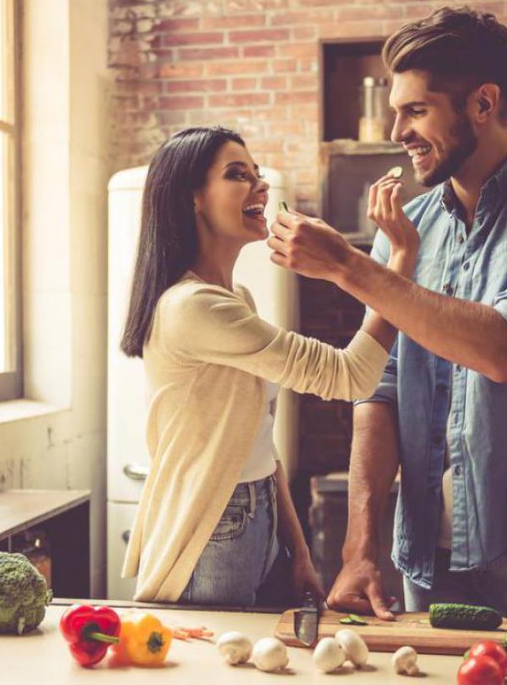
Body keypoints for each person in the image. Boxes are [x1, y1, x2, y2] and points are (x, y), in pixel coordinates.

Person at [267, 7, 507, 623]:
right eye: (395, 111)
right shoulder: (406, 232)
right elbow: (378, 393)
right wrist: (361, 548)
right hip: (428, 558)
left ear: (483, 104)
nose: (397, 130)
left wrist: (349, 266)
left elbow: (505, 349)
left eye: (415, 110)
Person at [119, 126, 417, 606]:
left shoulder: (235, 300)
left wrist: (295, 549)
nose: (260, 186)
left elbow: (257, 440)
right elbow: (351, 375)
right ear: (192, 197)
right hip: (213, 525)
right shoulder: (194, 307)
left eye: (258, 174)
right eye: (238, 175)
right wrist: (397, 262)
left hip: (254, 514)